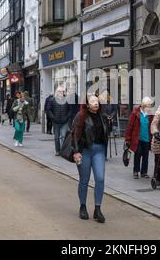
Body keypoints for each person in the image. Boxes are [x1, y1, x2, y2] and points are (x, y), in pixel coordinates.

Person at [71, 95, 109, 223]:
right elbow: (74, 135)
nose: (96, 103)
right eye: (92, 102)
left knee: (100, 178)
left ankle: (97, 209)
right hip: (85, 151)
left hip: (99, 151)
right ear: (87, 104)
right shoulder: (81, 116)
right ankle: (83, 206)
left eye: (97, 101)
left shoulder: (103, 117)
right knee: (84, 179)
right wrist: (76, 152)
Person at [125, 97, 154, 179]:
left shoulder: (151, 115)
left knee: (146, 155)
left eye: (150, 106)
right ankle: (136, 171)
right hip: (137, 138)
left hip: (147, 138)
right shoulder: (135, 113)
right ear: (144, 105)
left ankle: (144, 172)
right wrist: (127, 138)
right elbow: (129, 126)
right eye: (149, 105)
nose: (150, 107)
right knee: (138, 154)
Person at [47, 86, 71, 156]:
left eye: (62, 91)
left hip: (64, 121)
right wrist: (53, 117)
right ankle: (57, 150)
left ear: (64, 92)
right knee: (56, 137)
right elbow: (49, 110)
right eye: (59, 91)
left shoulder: (67, 100)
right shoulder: (52, 100)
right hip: (56, 122)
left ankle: (63, 151)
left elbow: (70, 110)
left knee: (63, 136)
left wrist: (66, 118)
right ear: (56, 92)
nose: (60, 92)